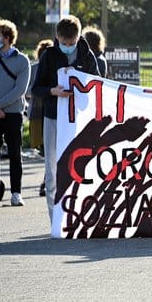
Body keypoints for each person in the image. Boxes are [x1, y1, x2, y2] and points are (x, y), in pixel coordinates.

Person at [32, 15, 100, 222]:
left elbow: (97, 84)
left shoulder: (87, 56)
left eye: (71, 43)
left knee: (79, 167)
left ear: (79, 37)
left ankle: (78, 214)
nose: (67, 47)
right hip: (53, 117)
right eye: (63, 43)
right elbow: (36, 88)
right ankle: (55, 219)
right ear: (56, 37)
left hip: (78, 119)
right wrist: (53, 91)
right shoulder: (49, 56)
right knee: (52, 168)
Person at [0, 18, 31, 206]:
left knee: (15, 154)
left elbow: (20, 90)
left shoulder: (22, 60)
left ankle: (16, 192)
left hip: (13, 113)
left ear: (7, 37)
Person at [29, 39, 53, 197]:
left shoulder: (34, 68)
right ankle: (47, 181)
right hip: (48, 112)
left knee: (46, 151)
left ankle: (47, 180)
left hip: (36, 115)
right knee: (51, 152)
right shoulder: (52, 68)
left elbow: (30, 91)